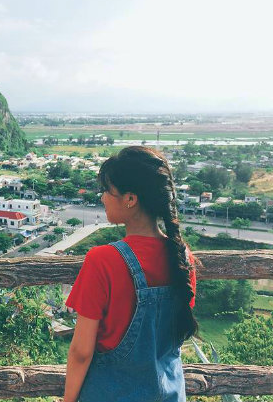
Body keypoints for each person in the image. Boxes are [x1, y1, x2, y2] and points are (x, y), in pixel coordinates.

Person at [63, 146, 199, 402]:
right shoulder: (182, 257)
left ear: (130, 199)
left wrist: (68, 400)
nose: (102, 198)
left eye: (107, 190)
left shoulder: (103, 260)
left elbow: (81, 351)